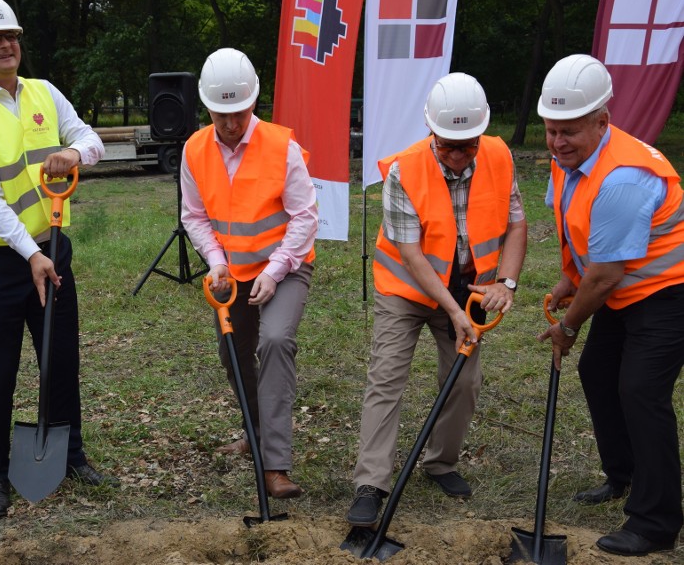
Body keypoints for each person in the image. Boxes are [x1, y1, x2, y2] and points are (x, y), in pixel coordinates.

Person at [0, 0, 116, 518]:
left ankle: (72, 455)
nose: (5, 44)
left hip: (52, 248)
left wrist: (75, 153)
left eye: (12, 35)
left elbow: (89, 136)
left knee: (61, 359)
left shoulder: (43, 92)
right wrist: (28, 254)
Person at [346, 73, 527, 526]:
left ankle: (441, 462)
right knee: (387, 377)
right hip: (407, 289)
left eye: (469, 145)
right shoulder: (404, 170)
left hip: (470, 286)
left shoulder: (500, 157)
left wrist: (506, 282)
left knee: (464, 381)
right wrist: (449, 309)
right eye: (448, 145)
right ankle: (371, 482)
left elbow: (516, 223)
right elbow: (410, 253)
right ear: (431, 133)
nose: (459, 156)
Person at [536, 54, 683, 557]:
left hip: (668, 291)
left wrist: (569, 326)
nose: (557, 143)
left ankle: (656, 522)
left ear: (603, 120)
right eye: (551, 130)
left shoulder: (624, 176)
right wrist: (565, 280)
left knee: (640, 389)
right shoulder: (568, 161)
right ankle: (625, 476)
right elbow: (584, 242)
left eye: (569, 131)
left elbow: (605, 274)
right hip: (623, 287)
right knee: (599, 373)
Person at [180, 48, 318, 499]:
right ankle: (255, 433)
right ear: (207, 107)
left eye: (238, 113)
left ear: (253, 102)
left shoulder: (283, 146)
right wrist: (217, 262)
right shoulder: (194, 149)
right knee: (233, 355)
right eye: (221, 114)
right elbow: (194, 216)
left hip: (286, 265)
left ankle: (274, 464)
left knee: (274, 341)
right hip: (231, 272)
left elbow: (305, 217)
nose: (230, 124)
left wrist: (276, 270)